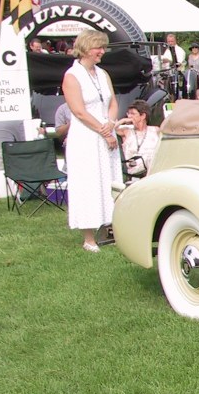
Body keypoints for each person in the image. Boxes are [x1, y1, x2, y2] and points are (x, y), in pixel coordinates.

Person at [62, 29, 122, 252]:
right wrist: (103, 131)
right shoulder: (72, 76)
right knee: (88, 182)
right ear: (87, 48)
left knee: (110, 179)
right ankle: (88, 237)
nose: (102, 52)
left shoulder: (102, 73)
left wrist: (111, 122)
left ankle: (112, 227)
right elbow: (78, 111)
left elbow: (113, 101)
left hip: (106, 131)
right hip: (87, 137)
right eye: (99, 47)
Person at [116, 99, 160, 179]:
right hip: (134, 168)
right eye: (128, 113)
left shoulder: (155, 130)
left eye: (132, 113)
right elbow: (111, 129)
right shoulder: (126, 130)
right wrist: (123, 120)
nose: (129, 116)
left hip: (153, 169)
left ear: (143, 116)